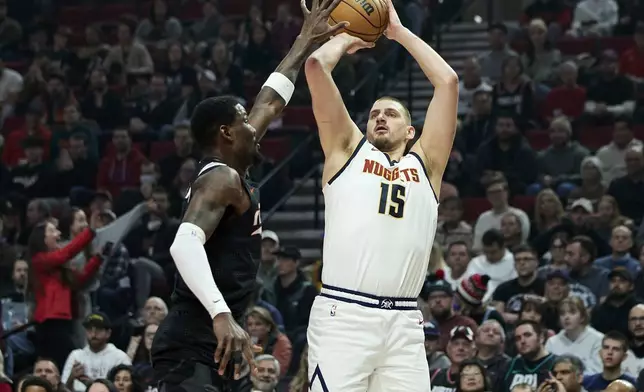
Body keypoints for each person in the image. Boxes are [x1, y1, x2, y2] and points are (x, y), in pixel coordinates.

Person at [149, 1, 348, 391]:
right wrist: (221, 313)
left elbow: (270, 101)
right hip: (193, 338)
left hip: (222, 341)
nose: (251, 126)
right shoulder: (219, 178)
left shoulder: (233, 167)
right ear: (225, 133)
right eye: (242, 122)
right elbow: (183, 245)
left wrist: (304, 40)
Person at [304, 0, 458, 389]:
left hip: (405, 321)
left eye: (390, 113)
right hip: (345, 316)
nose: (379, 117)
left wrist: (398, 32)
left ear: (411, 132)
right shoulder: (345, 151)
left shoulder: (428, 166)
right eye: (373, 113)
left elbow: (448, 82)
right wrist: (344, 37)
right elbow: (316, 67)